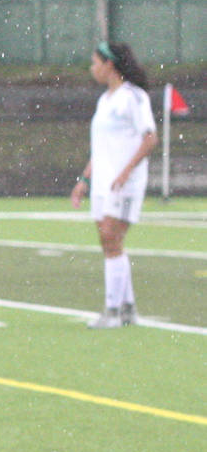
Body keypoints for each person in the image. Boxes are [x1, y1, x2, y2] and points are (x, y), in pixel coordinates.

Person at [69, 41, 159, 329]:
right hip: (104, 182)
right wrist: (85, 179)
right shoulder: (104, 100)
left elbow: (150, 138)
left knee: (110, 237)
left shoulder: (133, 97)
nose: (92, 68)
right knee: (109, 241)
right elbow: (101, 148)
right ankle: (128, 308)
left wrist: (125, 172)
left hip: (125, 183)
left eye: (96, 62)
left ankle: (112, 311)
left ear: (110, 65)